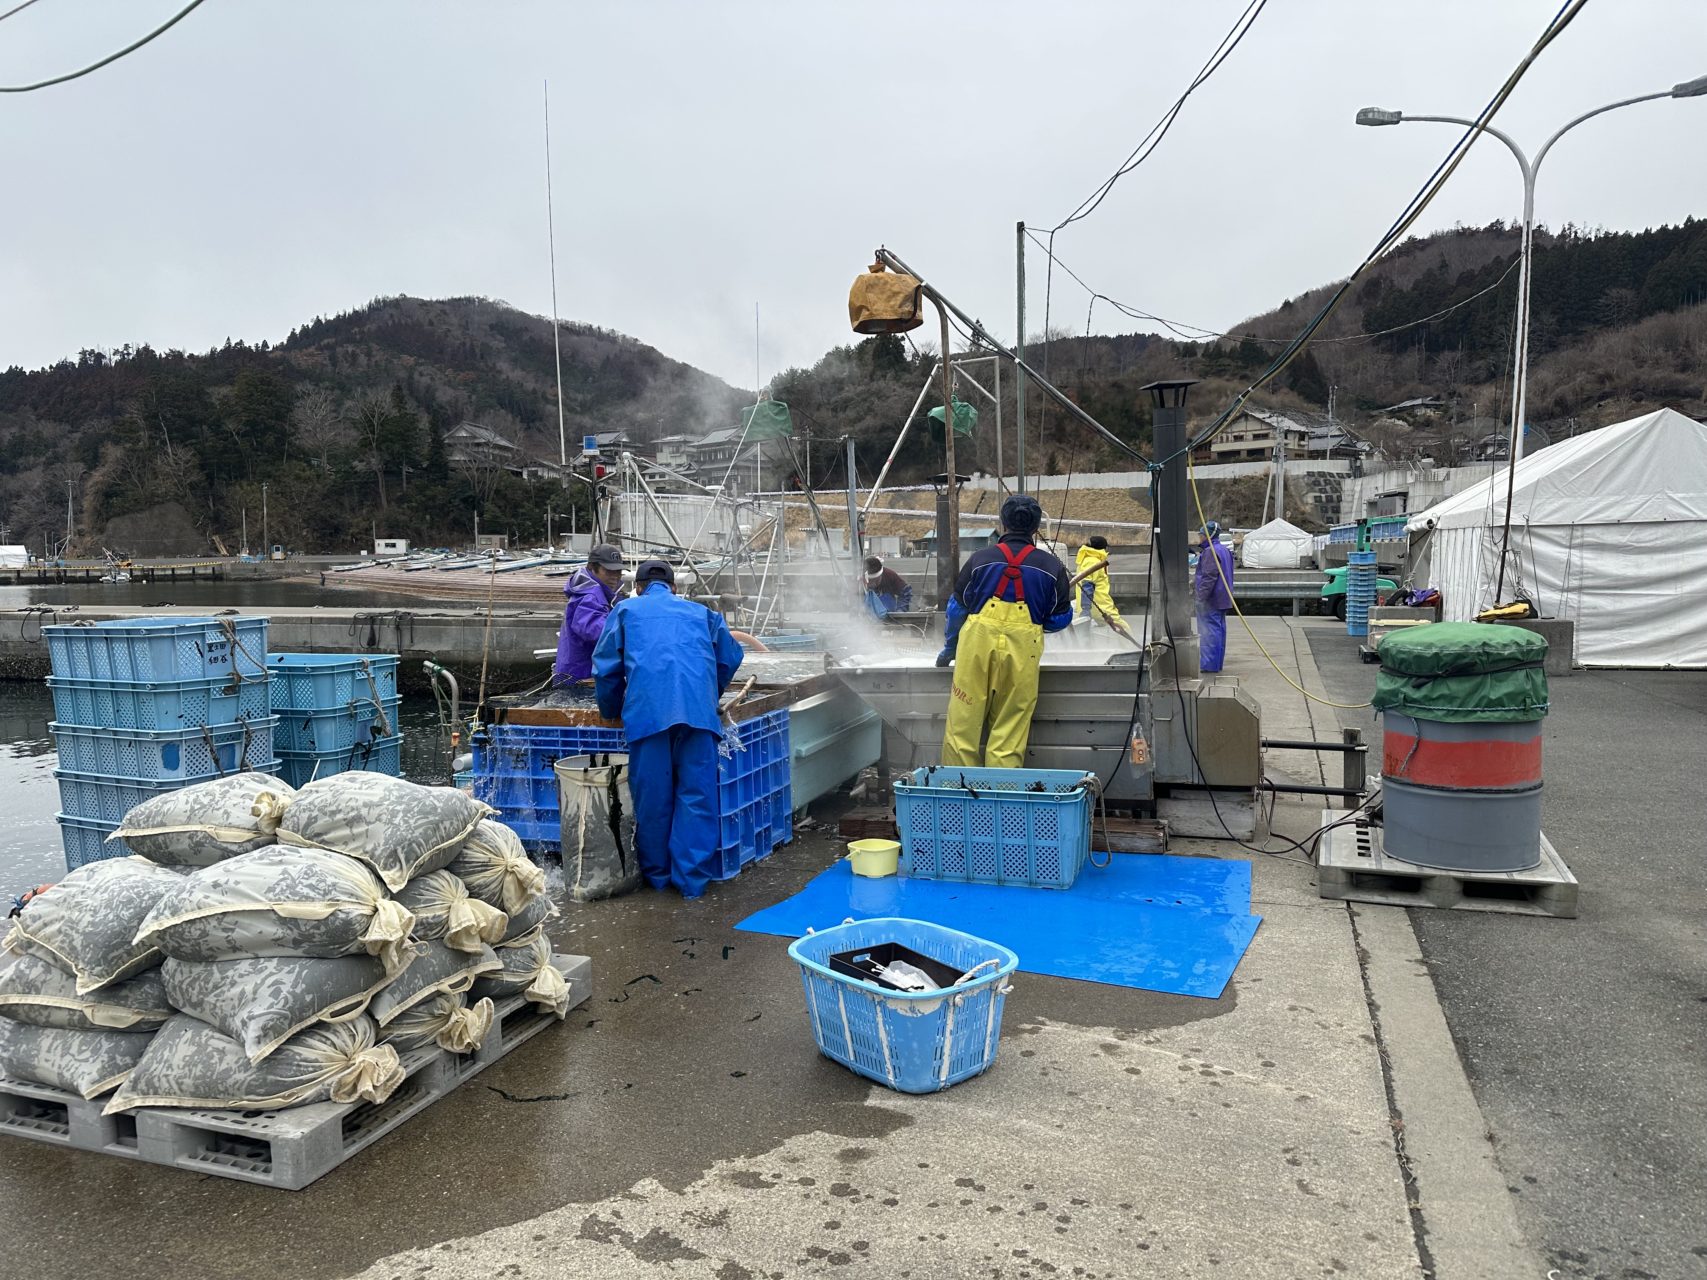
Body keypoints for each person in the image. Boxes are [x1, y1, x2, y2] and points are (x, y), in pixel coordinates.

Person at [593, 559, 743, 899]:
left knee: (653, 800)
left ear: (638, 588)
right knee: (697, 798)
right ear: (675, 588)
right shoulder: (702, 613)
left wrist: (611, 710)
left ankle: (658, 880)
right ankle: (691, 884)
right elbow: (730, 656)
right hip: (699, 716)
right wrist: (710, 692)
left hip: (648, 716)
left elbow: (605, 669)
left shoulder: (625, 611)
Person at [937, 493, 1073, 769]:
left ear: (1003, 523)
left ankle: (955, 789)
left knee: (962, 724)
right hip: (1022, 651)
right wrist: (1033, 622)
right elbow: (1060, 618)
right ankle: (1002, 791)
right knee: (1010, 727)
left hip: (975, 646)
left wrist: (950, 647)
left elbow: (956, 609)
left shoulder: (980, 559)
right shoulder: (1052, 568)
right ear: (1036, 527)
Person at [553, 543, 625, 686]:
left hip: (576, 674)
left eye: (618, 571)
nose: (615, 576)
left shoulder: (595, 592)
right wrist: (632, 635)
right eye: (609, 571)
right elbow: (596, 631)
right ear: (592, 567)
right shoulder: (589, 596)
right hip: (580, 678)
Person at [1195, 520, 1236, 674]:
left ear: (1207, 535)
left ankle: (1208, 665)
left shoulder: (1210, 552)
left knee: (1209, 633)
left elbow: (1208, 578)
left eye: (1201, 534)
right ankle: (1217, 663)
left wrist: (1200, 597)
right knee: (1219, 631)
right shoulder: (1224, 551)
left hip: (1211, 600)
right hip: (1224, 598)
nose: (1199, 537)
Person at [1073, 535, 1123, 632]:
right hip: (1100, 606)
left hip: (1094, 606)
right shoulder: (1093, 561)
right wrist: (1086, 611)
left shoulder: (1088, 559)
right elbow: (1087, 586)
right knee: (1122, 628)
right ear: (1103, 548)